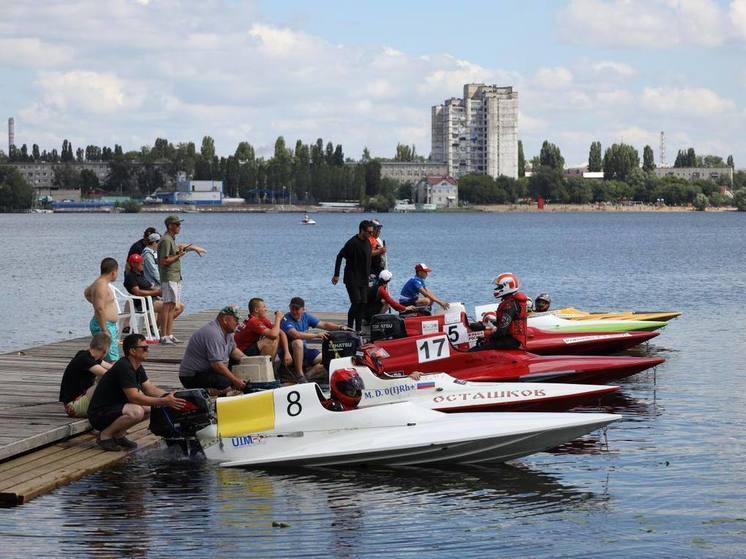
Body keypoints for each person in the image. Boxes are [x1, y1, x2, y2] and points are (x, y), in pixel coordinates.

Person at [88, 333, 187, 451]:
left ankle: (119, 435)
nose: (147, 350)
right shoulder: (124, 367)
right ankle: (105, 436)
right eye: (144, 348)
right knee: (137, 412)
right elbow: (134, 397)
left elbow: (150, 389)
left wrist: (173, 396)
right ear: (133, 351)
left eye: (147, 347)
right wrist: (164, 401)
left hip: (115, 408)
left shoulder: (136, 366)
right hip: (99, 414)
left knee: (152, 409)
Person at [157, 214, 206, 345]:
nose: (180, 227)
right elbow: (163, 261)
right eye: (177, 224)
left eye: (180, 224)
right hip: (169, 277)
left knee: (172, 306)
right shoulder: (166, 240)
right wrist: (179, 256)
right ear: (170, 226)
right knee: (167, 306)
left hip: (175, 276)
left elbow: (179, 248)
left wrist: (192, 249)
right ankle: (164, 336)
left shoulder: (171, 239)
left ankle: (169, 334)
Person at [179, 305, 249, 394]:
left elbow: (233, 351)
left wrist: (250, 360)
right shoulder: (213, 333)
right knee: (226, 381)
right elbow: (216, 364)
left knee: (237, 363)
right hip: (191, 376)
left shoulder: (227, 332)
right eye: (235, 320)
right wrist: (234, 380)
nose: (238, 323)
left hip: (207, 370)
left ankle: (228, 388)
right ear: (224, 320)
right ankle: (207, 391)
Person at [280, 297, 351, 383]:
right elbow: (295, 335)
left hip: (305, 350)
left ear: (303, 309)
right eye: (292, 309)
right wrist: (316, 335)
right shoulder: (286, 319)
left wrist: (340, 327)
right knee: (298, 342)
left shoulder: (306, 316)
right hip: (290, 351)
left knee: (329, 358)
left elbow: (324, 324)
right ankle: (300, 375)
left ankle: (307, 377)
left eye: (297, 309)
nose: (294, 311)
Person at [58, 332, 113, 418]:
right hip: (73, 406)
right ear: (105, 349)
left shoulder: (87, 355)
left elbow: (112, 368)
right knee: (107, 381)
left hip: (78, 401)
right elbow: (108, 374)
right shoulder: (85, 359)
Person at [332, 220, 373, 331]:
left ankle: (358, 329)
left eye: (372, 232)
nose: (371, 234)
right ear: (362, 230)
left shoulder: (368, 242)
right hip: (352, 278)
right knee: (356, 303)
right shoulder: (352, 243)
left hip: (364, 279)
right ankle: (350, 328)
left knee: (363, 303)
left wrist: (370, 274)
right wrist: (336, 275)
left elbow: (367, 259)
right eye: (369, 232)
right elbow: (339, 256)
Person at [125, 252, 183, 329]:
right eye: (140, 263)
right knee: (175, 307)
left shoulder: (140, 274)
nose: (142, 264)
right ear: (133, 264)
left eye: (142, 262)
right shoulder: (131, 276)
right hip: (143, 303)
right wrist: (156, 292)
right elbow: (137, 292)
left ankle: (156, 327)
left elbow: (149, 287)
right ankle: (157, 327)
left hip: (151, 300)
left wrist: (162, 290)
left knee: (181, 306)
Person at [234, 298, 292, 367]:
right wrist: (278, 318)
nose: (266, 309)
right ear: (256, 310)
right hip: (240, 353)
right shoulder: (253, 321)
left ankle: (270, 367)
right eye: (264, 307)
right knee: (270, 340)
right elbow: (273, 334)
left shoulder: (261, 319)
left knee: (276, 337)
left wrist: (287, 352)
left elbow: (281, 332)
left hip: (248, 348)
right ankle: (266, 367)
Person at [84, 257, 120, 362]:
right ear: (113, 272)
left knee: (103, 359)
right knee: (112, 359)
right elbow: (99, 308)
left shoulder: (99, 282)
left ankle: (103, 378)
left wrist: (97, 302)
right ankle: (110, 377)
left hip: (107, 324)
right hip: (104, 325)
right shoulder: (101, 285)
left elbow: (86, 293)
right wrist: (104, 329)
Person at [478, 272, 528, 350]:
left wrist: (487, 336)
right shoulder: (511, 301)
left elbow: (502, 331)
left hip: (512, 341)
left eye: (499, 287)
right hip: (512, 339)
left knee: (477, 350)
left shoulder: (510, 305)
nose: (496, 289)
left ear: (507, 287)